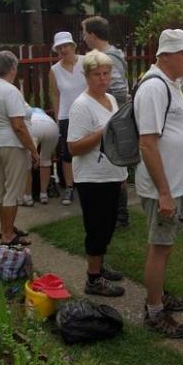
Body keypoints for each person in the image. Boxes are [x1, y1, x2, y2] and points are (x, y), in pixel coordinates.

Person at [134, 28, 183, 338]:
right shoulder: (154, 88)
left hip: (173, 185)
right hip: (164, 188)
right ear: (165, 55)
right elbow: (147, 144)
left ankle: (158, 296)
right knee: (159, 247)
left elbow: (171, 135)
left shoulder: (171, 84)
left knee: (165, 245)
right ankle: (154, 311)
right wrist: (164, 193)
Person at [67, 51, 128, 297]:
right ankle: (93, 280)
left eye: (107, 73)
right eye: (97, 74)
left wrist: (122, 172)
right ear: (87, 76)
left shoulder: (111, 100)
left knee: (108, 225)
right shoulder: (81, 106)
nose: (103, 79)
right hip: (92, 177)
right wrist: (102, 132)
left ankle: (99, 266)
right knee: (96, 227)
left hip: (112, 173)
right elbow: (73, 147)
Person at [0, 50, 39, 246]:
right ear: (13, 68)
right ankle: (8, 235)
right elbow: (18, 126)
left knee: (1, 189)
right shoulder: (10, 91)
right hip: (12, 145)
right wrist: (32, 149)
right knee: (13, 191)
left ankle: (4, 227)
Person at [82, 16, 130, 227]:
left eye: (84, 33)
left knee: (116, 166)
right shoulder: (110, 54)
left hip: (113, 119)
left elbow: (120, 89)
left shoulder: (108, 57)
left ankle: (120, 215)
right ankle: (115, 213)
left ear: (93, 35)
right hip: (110, 117)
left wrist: (110, 111)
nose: (83, 38)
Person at [49, 31, 86, 206]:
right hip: (67, 116)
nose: (63, 49)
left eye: (66, 45)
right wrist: (58, 118)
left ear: (73, 46)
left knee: (90, 148)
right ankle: (70, 187)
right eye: (60, 47)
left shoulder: (86, 62)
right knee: (68, 153)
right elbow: (55, 96)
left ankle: (88, 183)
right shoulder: (54, 70)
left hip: (87, 114)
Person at [21, 105, 60, 206]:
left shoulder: (24, 110)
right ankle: (44, 195)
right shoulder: (41, 111)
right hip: (52, 127)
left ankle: (28, 197)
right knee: (46, 161)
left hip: (34, 127)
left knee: (27, 164)